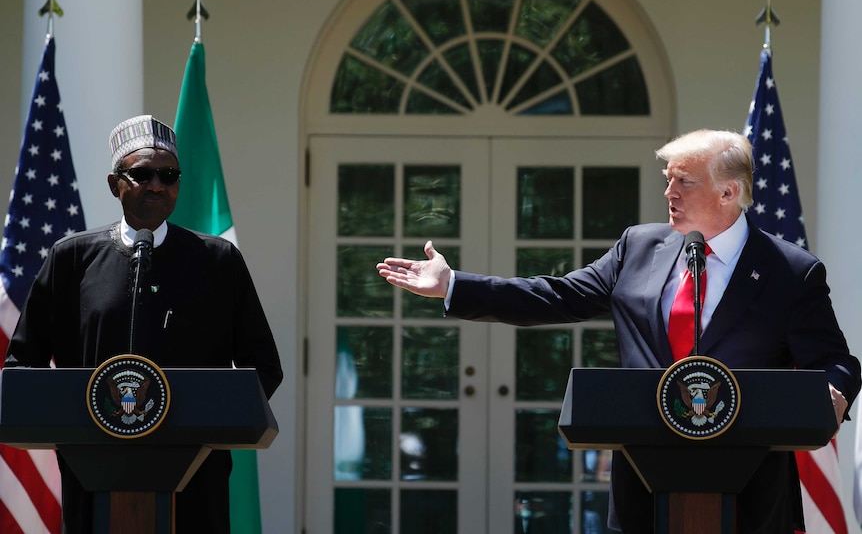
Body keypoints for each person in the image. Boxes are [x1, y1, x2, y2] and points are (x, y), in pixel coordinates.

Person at [376, 129, 861, 533]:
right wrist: (452, 285)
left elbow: (836, 360)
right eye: (667, 180)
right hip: (646, 479)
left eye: (683, 183)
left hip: (750, 485)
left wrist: (834, 393)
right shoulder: (640, 246)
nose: (668, 194)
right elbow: (557, 296)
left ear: (729, 192)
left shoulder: (790, 270)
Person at [4, 115, 283, 534]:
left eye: (169, 175)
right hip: (93, 471)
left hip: (194, 474)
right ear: (115, 182)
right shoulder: (71, 259)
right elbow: (22, 365)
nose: (157, 184)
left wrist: (209, 414)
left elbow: (263, 365)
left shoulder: (217, 261)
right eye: (143, 173)